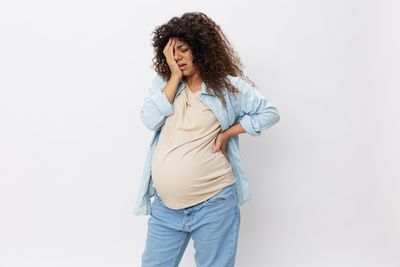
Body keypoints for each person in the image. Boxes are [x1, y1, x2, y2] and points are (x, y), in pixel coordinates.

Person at [136, 12, 280, 267]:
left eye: (183, 49)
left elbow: (269, 113)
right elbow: (149, 119)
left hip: (214, 205)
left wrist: (228, 133)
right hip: (166, 209)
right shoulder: (164, 85)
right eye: (172, 52)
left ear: (200, 49)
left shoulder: (226, 88)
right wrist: (174, 77)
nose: (177, 57)